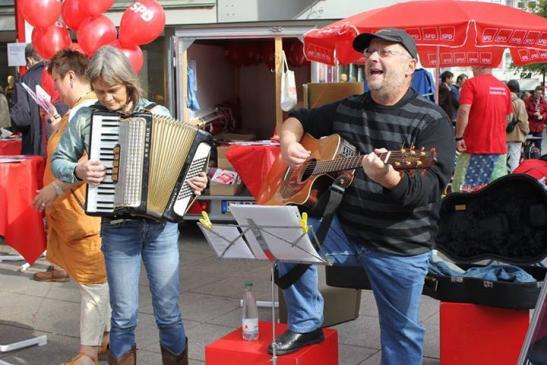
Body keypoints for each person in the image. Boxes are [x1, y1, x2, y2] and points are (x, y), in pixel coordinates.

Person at [271, 28, 455, 365]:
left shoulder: (433, 121)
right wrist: (289, 143)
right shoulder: (348, 107)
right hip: (346, 230)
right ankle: (307, 323)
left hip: (399, 242)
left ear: (410, 65)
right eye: (370, 51)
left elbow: (427, 191)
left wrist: (389, 175)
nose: (373, 57)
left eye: (385, 52)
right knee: (285, 234)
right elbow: (297, 118)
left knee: (400, 335)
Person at [51, 46, 208, 365]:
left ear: (129, 82)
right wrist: (78, 170)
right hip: (117, 230)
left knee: (168, 313)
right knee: (123, 316)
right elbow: (59, 162)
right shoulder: (86, 117)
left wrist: (195, 183)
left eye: (113, 90)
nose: (106, 99)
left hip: (160, 229)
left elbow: (183, 170)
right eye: (99, 92)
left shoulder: (158, 114)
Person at [31, 49, 111, 365]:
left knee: (93, 285)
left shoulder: (87, 110)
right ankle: (104, 338)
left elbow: (88, 162)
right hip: (72, 214)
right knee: (92, 284)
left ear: (70, 76)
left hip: (83, 216)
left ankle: (90, 351)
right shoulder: (76, 110)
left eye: (56, 82)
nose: (55, 90)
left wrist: (54, 187)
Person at [452, 67, 512, 192]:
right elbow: (508, 117)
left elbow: (463, 111)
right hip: (499, 150)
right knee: (498, 191)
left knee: (464, 192)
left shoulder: (471, 83)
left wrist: (459, 136)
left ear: (477, 65)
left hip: (474, 148)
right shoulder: (504, 87)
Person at [9, 44, 67, 155]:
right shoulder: (57, 75)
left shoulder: (24, 80)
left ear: (30, 59)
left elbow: (21, 120)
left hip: (34, 148)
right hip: (61, 142)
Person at [506, 80, 529, 172]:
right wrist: (526, 131)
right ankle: (513, 180)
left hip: (502, 134)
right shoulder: (519, 102)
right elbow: (523, 120)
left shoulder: (502, 99)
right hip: (516, 135)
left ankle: (501, 180)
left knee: (501, 159)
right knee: (514, 159)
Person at [525, 86, 547, 154]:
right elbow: (524, 112)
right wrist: (533, 114)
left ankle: (538, 159)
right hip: (529, 127)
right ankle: (527, 159)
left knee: (538, 145)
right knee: (527, 145)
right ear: (534, 92)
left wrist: (542, 116)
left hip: (539, 127)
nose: (538, 95)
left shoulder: (543, 101)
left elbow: (546, 112)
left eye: (540, 94)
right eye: (537, 93)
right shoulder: (527, 100)